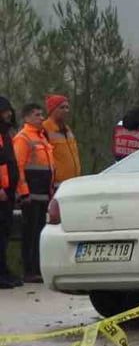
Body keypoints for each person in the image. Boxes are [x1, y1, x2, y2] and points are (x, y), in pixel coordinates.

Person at [14, 103, 54, 283]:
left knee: (40, 232)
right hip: (31, 195)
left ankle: (38, 268)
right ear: (27, 118)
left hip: (43, 193)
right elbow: (19, 167)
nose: (41, 118)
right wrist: (24, 193)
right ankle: (29, 270)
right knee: (30, 233)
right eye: (37, 115)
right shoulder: (23, 138)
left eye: (42, 115)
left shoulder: (42, 137)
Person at [0, 98, 19, 288]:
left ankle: (4, 270)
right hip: (2, 193)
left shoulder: (6, 134)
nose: (9, 114)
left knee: (5, 233)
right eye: (5, 111)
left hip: (8, 193)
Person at [42, 95, 80, 189]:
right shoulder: (44, 129)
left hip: (73, 182)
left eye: (67, 107)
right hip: (57, 186)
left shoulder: (67, 129)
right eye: (62, 107)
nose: (66, 110)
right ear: (52, 110)